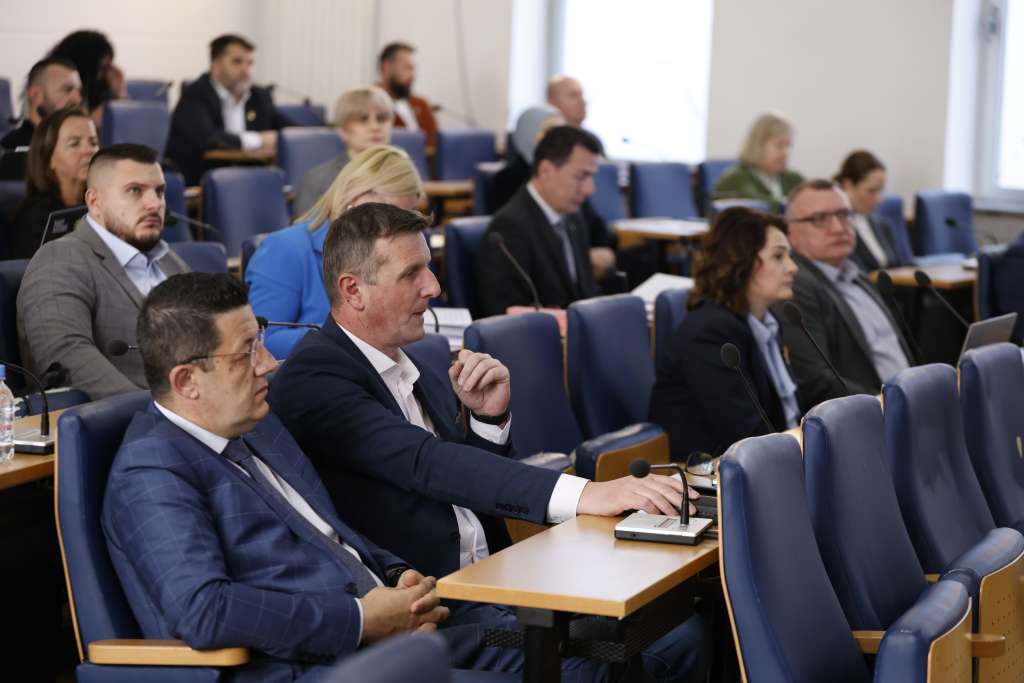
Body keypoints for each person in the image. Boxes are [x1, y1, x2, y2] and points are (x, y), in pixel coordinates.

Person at [268, 202, 707, 682]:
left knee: (681, 632)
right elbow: (427, 464)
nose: (433, 287)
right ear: (353, 290)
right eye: (411, 273)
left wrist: (487, 419)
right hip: (435, 612)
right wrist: (589, 494)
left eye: (429, 268)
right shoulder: (316, 377)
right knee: (606, 663)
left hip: (500, 581)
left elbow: (465, 485)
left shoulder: (416, 361)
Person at [17, 144, 189, 400]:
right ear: (95, 202)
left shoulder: (171, 262)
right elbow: (67, 359)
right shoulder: (60, 260)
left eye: (159, 191)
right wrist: (162, 413)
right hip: (132, 418)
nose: (154, 204)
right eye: (135, 190)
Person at [649, 208, 801, 460]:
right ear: (740, 261)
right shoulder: (711, 334)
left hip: (774, 459)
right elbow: (747, 435)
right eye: (778, 256)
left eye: (789, 256)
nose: (792, 267)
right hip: (711, 474)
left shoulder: (768, 323)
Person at [247, 145, 422, 359]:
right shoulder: (284, 249)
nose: (399, 230)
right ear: (357, 199)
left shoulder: (401, 251)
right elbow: (262, 340)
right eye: (391, 216)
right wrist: (352, 336)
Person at [775, 179, 915, 408]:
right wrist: (885, 404)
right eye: (819, 219)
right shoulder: (795, 287)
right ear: (790, 233)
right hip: (868, 414)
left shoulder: (857, 273)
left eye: (844, 215)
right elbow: (816, 380)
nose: (838, 228)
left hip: (909, 403)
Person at [476, 125, 603, 316]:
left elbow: (586, 292)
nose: (589, 189)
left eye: (592, 177)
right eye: (581, 176)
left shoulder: (573, 217)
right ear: (546, 171)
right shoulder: (508, 229)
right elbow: (508, 313)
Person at [165, 34, 290, 185]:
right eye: (237, 62)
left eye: (249, 63)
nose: (246, 70)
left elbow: (289, 129)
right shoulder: (195, 94)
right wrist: (258, 140)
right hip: (202, 183)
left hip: (249, 181)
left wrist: (282, 139)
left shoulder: (258, 96)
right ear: (216, 64)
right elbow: (209, 139)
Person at [7, 107, 98, 259]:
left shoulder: (103, 205)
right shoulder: (33, 218)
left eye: (93, 142)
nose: (89, 150)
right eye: (75, 143)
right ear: (49, 158)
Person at [291, 86, 394, 219]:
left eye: (381, 119)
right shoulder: (317, 180)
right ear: (343, 130)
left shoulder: (401, 173)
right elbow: (307, 229)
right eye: (363, 119)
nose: (375, 127)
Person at [713, 112, 803, 212]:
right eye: (779, 145)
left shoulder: (793, 178)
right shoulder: (735, 179)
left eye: (788, 146)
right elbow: (759, 208)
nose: (785, 153)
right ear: (758, 145)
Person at [835, 150, 907, 270]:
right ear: (848, 185)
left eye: (881, 191)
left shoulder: (883, 226)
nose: (879, 200)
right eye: (871, 191)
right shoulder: (836, 232)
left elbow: (902, 266)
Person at [0, 57, 83, 150]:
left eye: (79, 91)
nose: (78, 99)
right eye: (67, 89)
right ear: (36, 95)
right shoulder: (11, 148)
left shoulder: (84, 143)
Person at [47, 30, 125, 121]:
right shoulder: (58, 87)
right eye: (102, 68)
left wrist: (119, 94)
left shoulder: (99, 89)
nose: (104, 75)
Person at [377, 42, 438, 148]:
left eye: (413, 69)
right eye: (407, 68)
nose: (412, 75)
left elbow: (436, 145)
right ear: (386, 67)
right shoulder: (369, 104)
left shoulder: (421, 104)